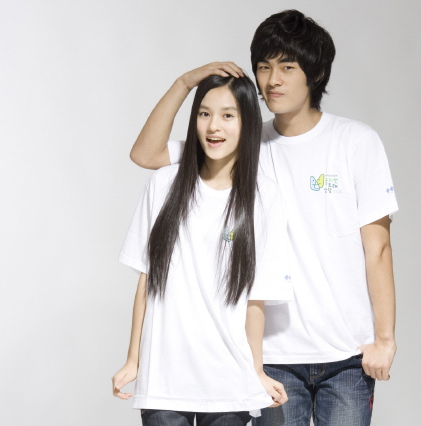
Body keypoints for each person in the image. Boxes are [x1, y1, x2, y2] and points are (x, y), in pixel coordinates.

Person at [129, 10, 399, 426]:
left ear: (315, 73)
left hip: (347, 353)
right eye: (263, 67)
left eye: (287, 68)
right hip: (271, 356)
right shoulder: (243, 144)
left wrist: (384, 339)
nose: (272, 80)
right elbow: (147, 155)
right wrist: (185, 83)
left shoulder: (355, 142)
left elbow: (377, 247)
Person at [112, 74, 294, 426]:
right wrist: (134, 359)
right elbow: (147, 280)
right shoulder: (164, 184)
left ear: (247, 122)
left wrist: (256, 370)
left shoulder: (264, 197)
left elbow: (256, 296)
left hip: (229, 381)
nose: (214, 126)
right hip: (164, 379)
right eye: (204, 113)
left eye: (228, 115)